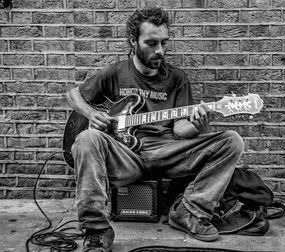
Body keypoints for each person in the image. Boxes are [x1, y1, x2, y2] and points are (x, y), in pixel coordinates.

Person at [66, 7, 244, 252]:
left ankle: (189, 212)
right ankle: (96, 230)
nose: (159, 50)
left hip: (166, 152)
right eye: (151, 43)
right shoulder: (116, 72)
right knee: (87, 138)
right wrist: (91, 114)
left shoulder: (177, 78)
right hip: (125, 156)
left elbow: (181, 129)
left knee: (231, 140)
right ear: (133, 41)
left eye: (164, 42)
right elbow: (73, 94)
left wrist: (198, 125)